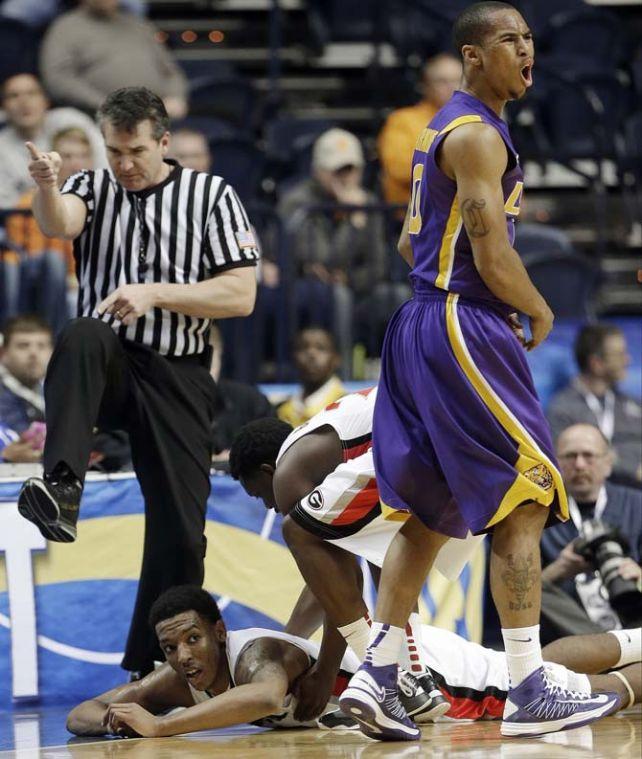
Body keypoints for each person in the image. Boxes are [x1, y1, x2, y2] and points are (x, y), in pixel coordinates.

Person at [340, 1, 620, 741]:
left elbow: (409, 243)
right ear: (471, 56)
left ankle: (377, 671)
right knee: (526, 495)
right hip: (466, 322)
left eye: (530, 37)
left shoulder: (448, 130)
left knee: (432, 510)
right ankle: (529, 682)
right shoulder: (476, 138)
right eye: (508, 39)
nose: (526, 49)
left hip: (421, 320)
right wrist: (539, 309)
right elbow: (493, 255)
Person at [15, 86, 259, 678]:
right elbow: (59, 225)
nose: (124, 164)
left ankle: (152, 663)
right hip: (113, 364)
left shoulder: (211, 195)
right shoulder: (93, 187)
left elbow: (241, 294)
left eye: (136, 151)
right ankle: (64, 485)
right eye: (114, 150)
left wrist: (156, 294)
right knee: (80, 332)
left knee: (181, 530)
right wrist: (48, 185)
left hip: (179, 373)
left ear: (164, 142)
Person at [65, 586, 642, 738]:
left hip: (431, 674)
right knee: (522, 665)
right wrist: (116, 718)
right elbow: (82, 714)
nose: (183, 657)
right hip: (403, 666)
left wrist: (161, 726)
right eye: (171, 648)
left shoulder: (257, 654)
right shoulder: (177, 677)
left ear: (219, 632)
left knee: (578, 696)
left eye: (192, 640)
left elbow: (266, 698)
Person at [231, 388, 472, 723]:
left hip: (420, 445)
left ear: (268, 470)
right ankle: (417, 679)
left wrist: (326, 671)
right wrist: (290, 641)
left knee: (295, 529)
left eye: (258, 494)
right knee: (385, 552)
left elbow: (343, 582)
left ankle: (383, 678)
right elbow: (331, 583)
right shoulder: (324, 439)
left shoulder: (288, 474)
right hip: (461, 443)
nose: (268, 505)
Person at [279, 128, 408, 364]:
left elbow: (378, 265)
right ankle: (343, 376)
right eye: (338, 170)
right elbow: (322, 256)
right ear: (318, 170)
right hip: (307, 290)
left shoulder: (367, 202)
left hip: (355, 287)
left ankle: (404, 376)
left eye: (351, 169)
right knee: (338, 296)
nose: (346, 177)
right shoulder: (298, 202)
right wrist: (354, 222)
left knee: (398, 296)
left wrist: (348, 279)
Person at [540, 424, 642, 642]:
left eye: (589, 456)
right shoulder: (539, 515)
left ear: (608, 463)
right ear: (556, 463)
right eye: (570, 456)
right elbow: (517, 593)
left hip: (634, 618)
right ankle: (602, 647)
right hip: (571, 629)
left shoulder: (637, 505)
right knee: (535, 591)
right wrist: (559, 570)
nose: (579, 464)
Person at [3, 127, 95, 334]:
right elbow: (17, 254)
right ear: (55, 161)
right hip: (40, 283)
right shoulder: (32, 202)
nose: (76, 163)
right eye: (68, 156)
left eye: (83, 155)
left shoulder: (105, 200)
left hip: (86, 283)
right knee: (51, 261)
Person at [39, 0, 188, 119]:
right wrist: (105, 104)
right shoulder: (65, 27)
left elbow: (170, 71)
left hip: (155, 117)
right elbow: (58, 79)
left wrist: (175, 97)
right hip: (99, 120)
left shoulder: (139, 25)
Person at [547, 324, 642, 484]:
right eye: (619, 355)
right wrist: (632, 469)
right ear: (596, 363)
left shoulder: (633, 405)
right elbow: (567, 461)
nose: (627, 360)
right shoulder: (562, 410)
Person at [0, 72, 105, 208]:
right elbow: (5, 206)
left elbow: (105, 164)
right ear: (3, 107)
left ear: (46, 101)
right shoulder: (1, 146)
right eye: (14, 96)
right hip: (28, 219)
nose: (23, 102)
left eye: (31, 93)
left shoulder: (71, 121)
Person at [378, 53, 463, 207]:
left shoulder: (474, 122)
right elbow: (399, 168)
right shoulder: (403, 120)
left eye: (457, 81)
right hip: (412, 215)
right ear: (425, 86)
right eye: (442, 81)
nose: (452, 87)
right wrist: (453, 167)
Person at [208, 324, 275, 461]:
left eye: (208, 361)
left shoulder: (252, 402)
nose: (201, 371)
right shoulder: (163, 405)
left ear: (219, 358)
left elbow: (274, 454)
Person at [277, 328, 345, 428]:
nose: (311, 354)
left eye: (321, 348)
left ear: (336, 359)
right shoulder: (282, 410)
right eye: (303, 347)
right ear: (293, 357)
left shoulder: (346, 406)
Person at [0, 315, 51, 433]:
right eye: (23, 346)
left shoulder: (60, 389)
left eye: (41, 346)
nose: (33, 353)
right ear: (3, 353)